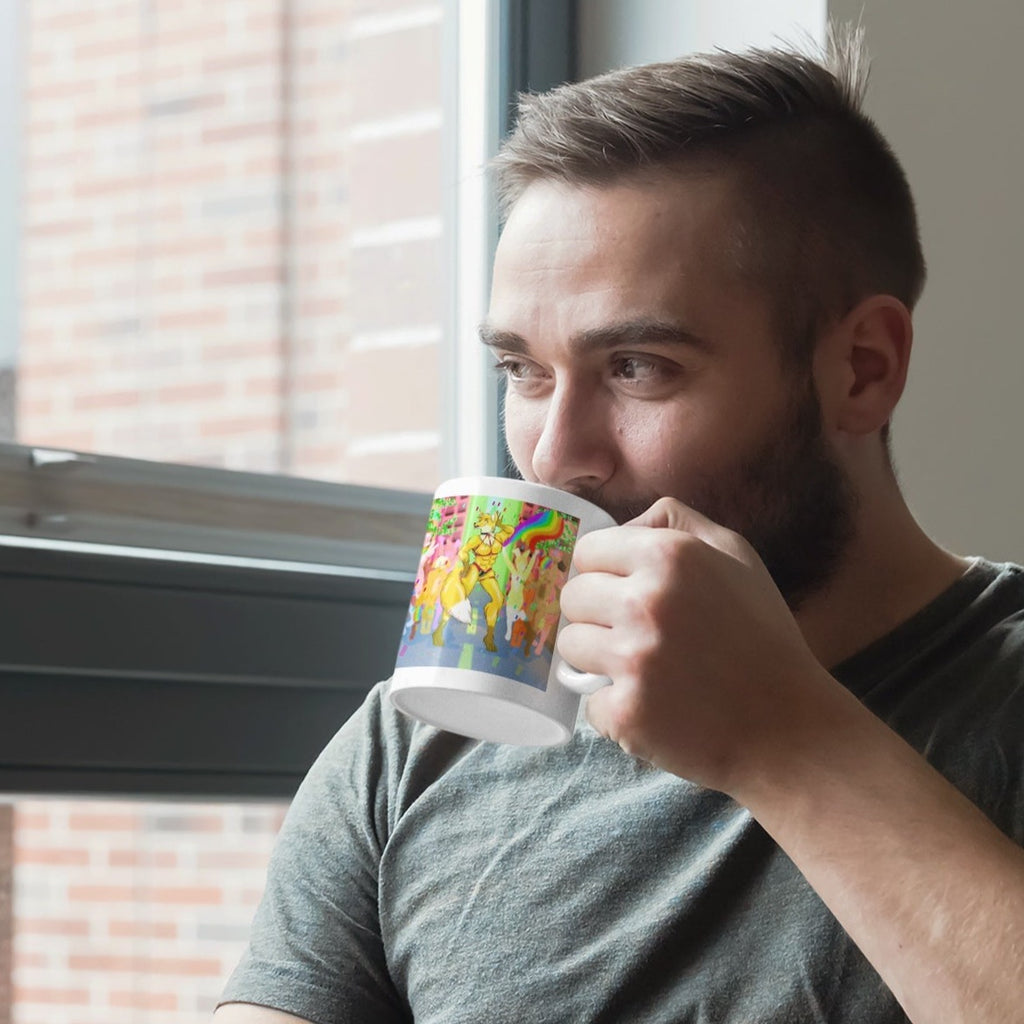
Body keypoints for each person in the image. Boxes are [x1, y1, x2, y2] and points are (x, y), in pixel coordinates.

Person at [215, 28, 1024, 1024]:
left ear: (861, 368)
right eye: (524, 371)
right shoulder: (411, 743)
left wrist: (786, 738)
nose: (555, 454)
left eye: (639, 367)